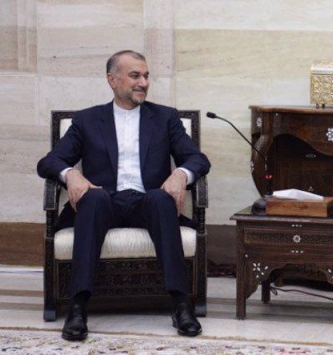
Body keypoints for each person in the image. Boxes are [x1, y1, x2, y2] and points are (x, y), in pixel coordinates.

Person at [37, 50, 211, 342]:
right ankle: (77, 308)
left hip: (147, 203)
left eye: (146, 76)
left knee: (161, 199)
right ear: (113, 80)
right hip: (105, 202)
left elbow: (198, 159)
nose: (143, 82)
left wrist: (181, 174)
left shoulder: (165, 117)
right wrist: (71, 174)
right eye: (135, 76)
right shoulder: (88, 120)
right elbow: (49, 162)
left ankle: (181, 305)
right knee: (92, 199)